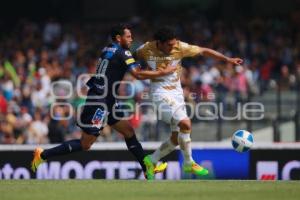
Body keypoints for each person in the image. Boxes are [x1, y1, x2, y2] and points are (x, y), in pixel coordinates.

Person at [31, 24, 176, 180]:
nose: (131, 39)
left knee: (128, 131)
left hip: (107, 99)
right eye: (128, 36)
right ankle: (43, 155)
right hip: (100, 101)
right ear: (119, 38)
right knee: (86, 144)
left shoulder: (107, 49)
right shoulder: (123, 51)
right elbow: (137, 74)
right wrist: (163, 72)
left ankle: (148, 167)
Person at [135, 26, 243, 176]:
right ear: (159, 42)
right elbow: (130, 62)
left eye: (174, 44)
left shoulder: (180, 47)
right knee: (186, 123)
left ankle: (151, 160)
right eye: (169, 44)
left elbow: (204, 50)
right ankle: (188, 163)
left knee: (175, 139)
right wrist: (144, 70)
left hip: (177, 95)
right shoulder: (146, 49)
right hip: (159, 94)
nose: (173, 46)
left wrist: (227, 59)